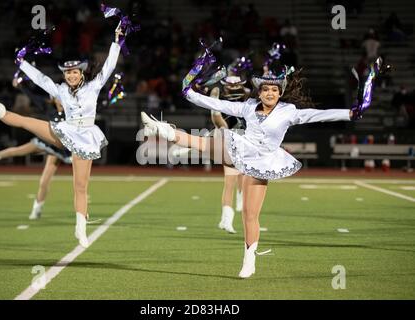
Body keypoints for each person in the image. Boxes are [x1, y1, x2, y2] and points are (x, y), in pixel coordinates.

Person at [141, 64, 367, 278]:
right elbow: (217, 105)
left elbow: (319, 115)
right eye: (266, 89)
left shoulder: (289, 111)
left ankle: (249, 261)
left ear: (280, 93)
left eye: (274, 90)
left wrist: (350, 113)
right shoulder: (247, 107)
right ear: (259, 92)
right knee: (206, 143)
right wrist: (189, 93)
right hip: (241, 148)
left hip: (264, 161)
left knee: (250, 215)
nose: (269, 93)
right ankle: (164, 130)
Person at [0, 24, 125, 248]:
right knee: (27, 122)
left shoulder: (93, 86)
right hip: (66, 130)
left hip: (85, 136)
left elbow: (110, 66)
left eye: (74, 72)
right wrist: (22, 63)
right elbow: (41, 80)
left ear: (81, 73)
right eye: (67, 73)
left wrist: (116, 40)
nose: (71, 76)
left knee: (80, 187)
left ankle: (80, 229)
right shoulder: (61, 90)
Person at [0, 97, 71, 220]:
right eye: (59, 98)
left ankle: (38, 209)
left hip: (61, 149)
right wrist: (21, 85)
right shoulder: (49, 109)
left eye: (63, 97)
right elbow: (35, 97)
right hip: (47, 142)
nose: (61, 100)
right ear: (54, 99)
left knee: (44, 181)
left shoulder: (71, 111)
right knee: (19, 150)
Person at [210, 76, 250, 233]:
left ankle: (240, 200)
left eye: (236, 86)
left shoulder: (247, 98)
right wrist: (214, 103)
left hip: (244, 141)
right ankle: (226, 219)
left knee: (243, 175)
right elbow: (219, 122)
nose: (233, 89)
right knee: (229, 183)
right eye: (230, 87)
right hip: (230, 141)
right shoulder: (220, 99)